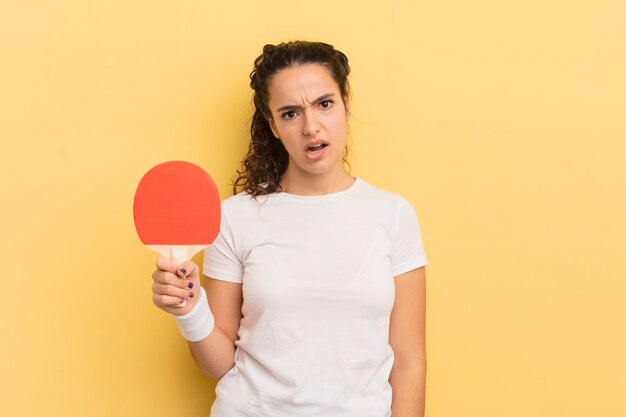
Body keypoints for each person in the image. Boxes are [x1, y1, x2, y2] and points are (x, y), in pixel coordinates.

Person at [151, 41, 428, 417]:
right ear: (273, 125)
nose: (311, 127)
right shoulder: (234, 218)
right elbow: (218, 366)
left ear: (346, 103)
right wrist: (189, 308)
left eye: (324, 104)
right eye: (290, 113)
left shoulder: (393, 215)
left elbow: (409, 361)